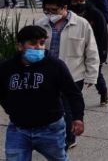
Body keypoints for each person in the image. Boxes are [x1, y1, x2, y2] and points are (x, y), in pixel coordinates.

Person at [0, 25, 85, 161]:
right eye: (33, 44)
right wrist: (11, 109)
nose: (39, 47)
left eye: (41, 43)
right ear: (20, 46)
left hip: (51, 129)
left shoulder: (55, 66)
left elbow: (73, 93)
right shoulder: (6, 68)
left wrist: (78, 118)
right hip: (18, 129)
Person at [36, 0, 100, 151]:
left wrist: (92, 76)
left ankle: (68, 138)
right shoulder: (39, 24)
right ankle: (53, 135)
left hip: (73, 75)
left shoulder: (82, 24)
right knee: (51, 108)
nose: (50, 14)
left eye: (54, 10)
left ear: (65, 8)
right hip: (47, 76)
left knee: (68, 109)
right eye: (47, 10)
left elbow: (91, 51)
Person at [68, 0, 108, 107]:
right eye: (75, 2)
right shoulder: (68, 15)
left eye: (81, 1)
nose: (79, 4)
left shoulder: (95, 14)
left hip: (94, 50)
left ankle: (103, 92)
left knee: (96, 74)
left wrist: (102, 54)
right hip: (75, 51)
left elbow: (103, 36)